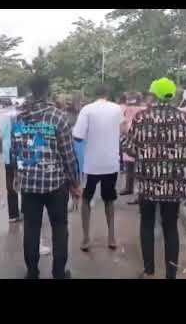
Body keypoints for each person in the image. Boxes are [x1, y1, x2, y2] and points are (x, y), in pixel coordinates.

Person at [123, 78, 186, 279]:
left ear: (154, 95)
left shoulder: (141, 118)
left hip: (148, 182)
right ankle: (171, 274)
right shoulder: (185, 119)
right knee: (171, 226)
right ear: (172, 95)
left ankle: (149, 271)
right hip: (173, 184)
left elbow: (130, 149)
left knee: (147, 224)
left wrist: (124, 136)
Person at [11, 75, 81, 279]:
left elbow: (16, 150)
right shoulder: (58, 117)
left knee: (31, 228)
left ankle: (32, 272)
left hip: (29, 183)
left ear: (31, 91)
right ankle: (59, 273)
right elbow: (68, 155)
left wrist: (18, 175)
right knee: (59, 227)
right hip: (55, 184)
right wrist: (75, 183)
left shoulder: (20, 117)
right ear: (47, 91)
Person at [73, 85, 123, 251]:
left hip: (92, 164)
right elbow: (124, 131)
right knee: (109, 199)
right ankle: (112, 237)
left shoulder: (87, 110)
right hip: (111, 162)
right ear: (107, 94)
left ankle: (86, 238)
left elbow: (78, 137)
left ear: (94, 95)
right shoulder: (117, 109)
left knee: (86, 199)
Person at [0, 105, 51, 255]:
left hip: (10, 157)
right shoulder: (26, 121)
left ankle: (13, 215)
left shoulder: (5, 118)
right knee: (24, 185)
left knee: (12, 185)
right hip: (21, 158)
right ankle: (24, 211)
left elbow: (2, 136)